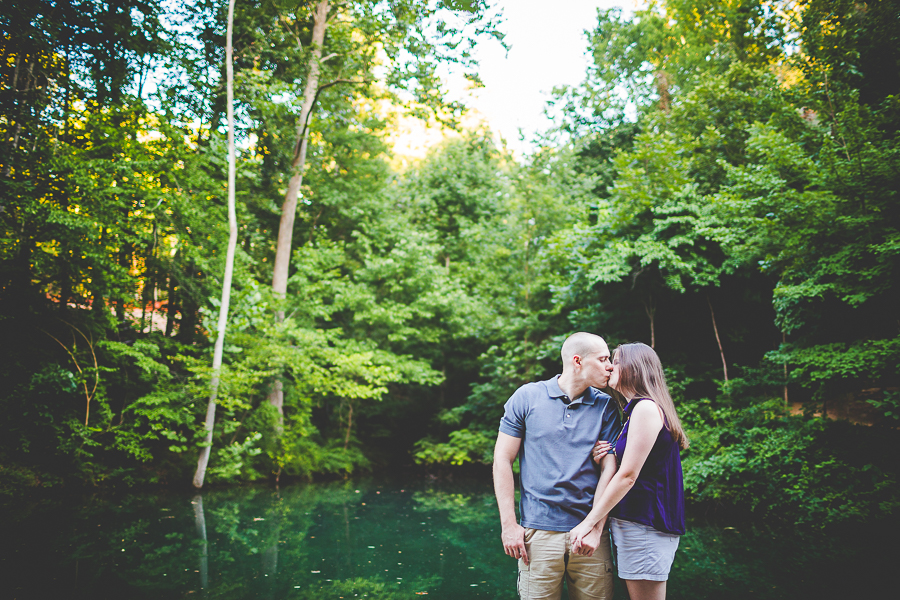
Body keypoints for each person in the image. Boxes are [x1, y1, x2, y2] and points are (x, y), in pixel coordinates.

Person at [493, 332, 621, 600]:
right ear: (578, 361)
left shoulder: (606, 406)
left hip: (589, 535)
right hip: (538, 534)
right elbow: (502, 459)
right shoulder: (526, 397)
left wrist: (595, 528)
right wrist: (509, 525)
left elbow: (610, 471)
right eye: (603, 359)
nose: (610, 365)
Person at [569, 342, 688, 600]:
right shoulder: (637, 410)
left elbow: (628, 476)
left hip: (646, 524)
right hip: (638, 525)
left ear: (635, 368)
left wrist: (589, 523)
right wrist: (610, 453)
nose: (610, 366)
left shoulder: (645, 408)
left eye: (616, 360)